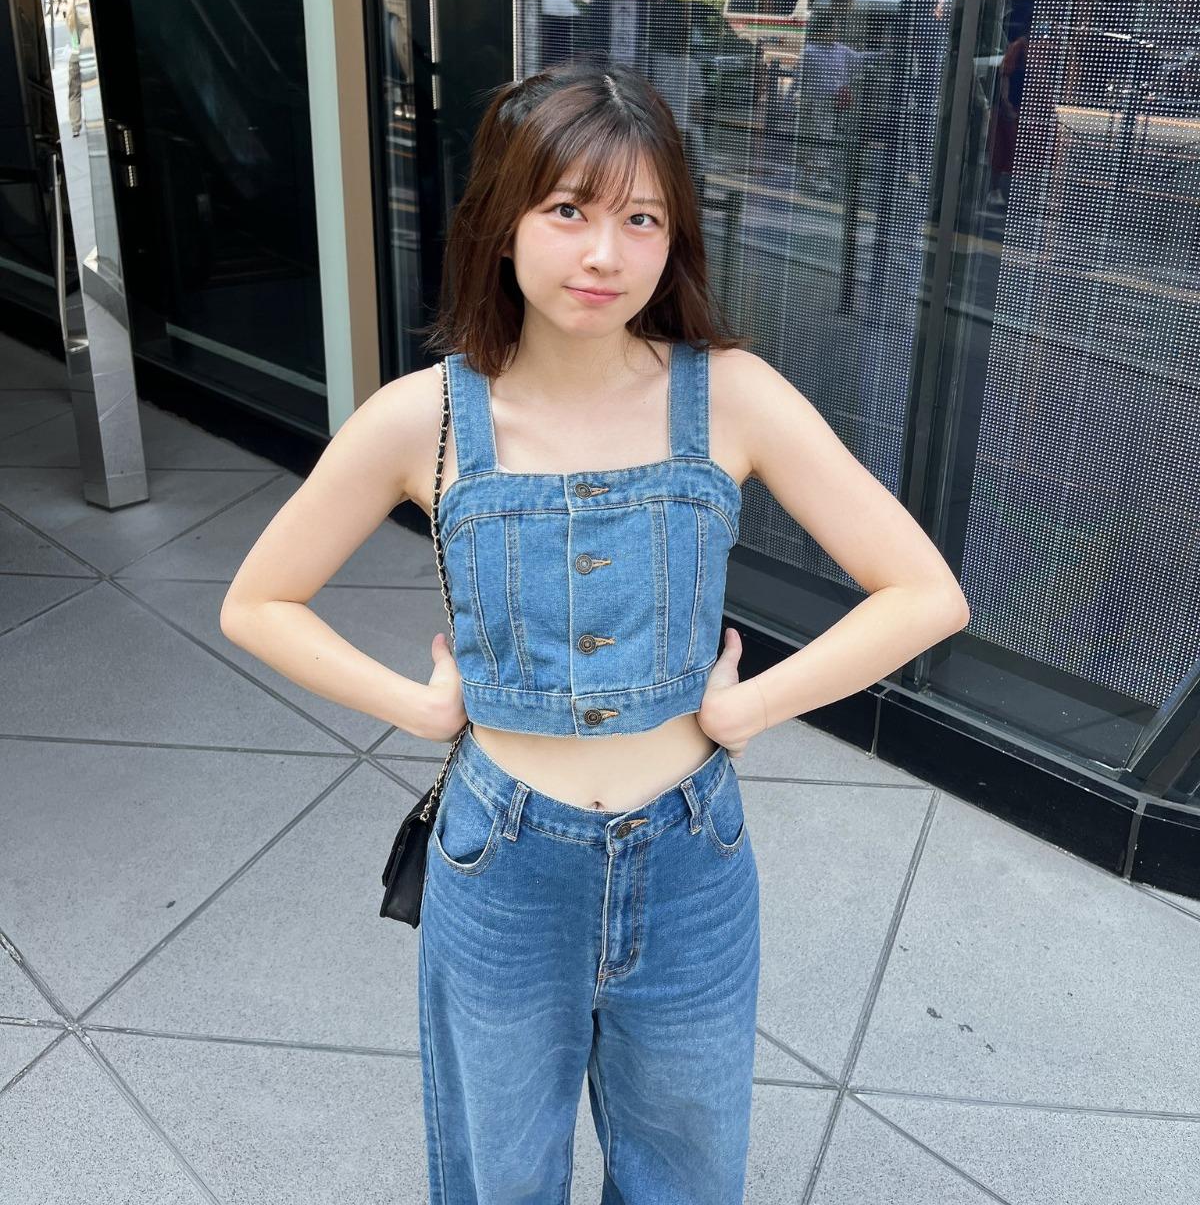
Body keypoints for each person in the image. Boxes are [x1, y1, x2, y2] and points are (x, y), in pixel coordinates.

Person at [220, 60, 970, 1202]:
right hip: (503, 862)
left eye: (642, 219)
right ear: (502, 220)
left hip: (692, 861)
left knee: (686, 1179)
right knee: (500, 1177)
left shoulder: (732, 395)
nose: (605, 253)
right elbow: (258, 601)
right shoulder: (426, 417)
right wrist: (416, 707)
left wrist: (749, 708)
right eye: (568, 209)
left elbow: (923, 592)